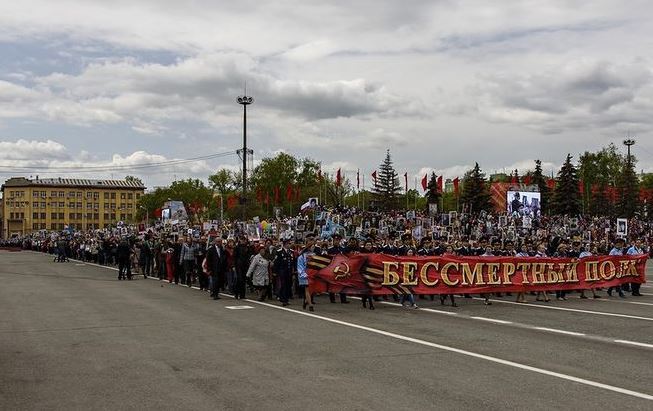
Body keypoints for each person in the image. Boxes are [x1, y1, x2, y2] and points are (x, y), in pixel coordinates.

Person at [296, 234, 317, 311]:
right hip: (305, 275)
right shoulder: (301, 256)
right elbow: (300, 267)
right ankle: (310, 305)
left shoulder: (314, 255)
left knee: (312, 290)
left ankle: (306, 301)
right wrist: (304, 274)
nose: (313, 247)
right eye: (312, 246)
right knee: (307, 289)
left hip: (312, 275)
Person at [273, 238, 294, 306]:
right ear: (285, 244)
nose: (289, 245)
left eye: (289, 244)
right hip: (282, 271)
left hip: (289, 271)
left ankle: (284, 297)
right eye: (288, 244)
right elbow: (276, 262)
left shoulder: (291, 251)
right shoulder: (279, 252)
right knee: (283, 285)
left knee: (289, 285)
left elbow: (292, 261)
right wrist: (275, 271)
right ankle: (284, 299)